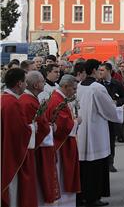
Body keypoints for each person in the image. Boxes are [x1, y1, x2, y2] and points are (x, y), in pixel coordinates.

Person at [77, 60, 124, 207]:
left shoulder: (80, 86)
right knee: (96, 164)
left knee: (84, 165)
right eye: (99, 69)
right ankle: (93, 197)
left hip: (82, 128)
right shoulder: (97, 88)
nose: (100, 71)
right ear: (93, 70)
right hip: (95, 131)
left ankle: (82, 196)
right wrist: (119, 110)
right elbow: (107, 109)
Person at [47, 75, 82, 206]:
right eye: (73, 88)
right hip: (62, 147)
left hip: (66, 145)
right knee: (63, 178)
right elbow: (61, 126)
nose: (75, 91)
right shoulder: (57, 100)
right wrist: (76, 122)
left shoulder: (60, 98)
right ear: (65, 86)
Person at [18, 71, 51, 207]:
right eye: (43, 81)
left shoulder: (30, 99)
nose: (44, 83)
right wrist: (48, 127)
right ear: (37, 85)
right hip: (34, 150)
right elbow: (32, 127)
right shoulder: (28, 102)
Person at [1, 68, 33, 207]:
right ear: (19, 83)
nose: (26, 85)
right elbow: (19, 132)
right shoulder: (13, 103)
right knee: (13, 192)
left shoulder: (4, 99)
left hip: (4, 150)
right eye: (25, 82)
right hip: (10, 155)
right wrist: (34, 127)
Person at [99, 62, 124, 172]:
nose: (100, 72)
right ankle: (102, 163)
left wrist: (117, 102)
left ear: (109, 71)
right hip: (101, 116)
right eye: (99, 70)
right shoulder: (98, 84)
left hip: (112, 115)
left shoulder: (117, 84)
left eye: (102, 70)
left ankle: (110, 163)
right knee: (101, 140)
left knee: (111, 140)